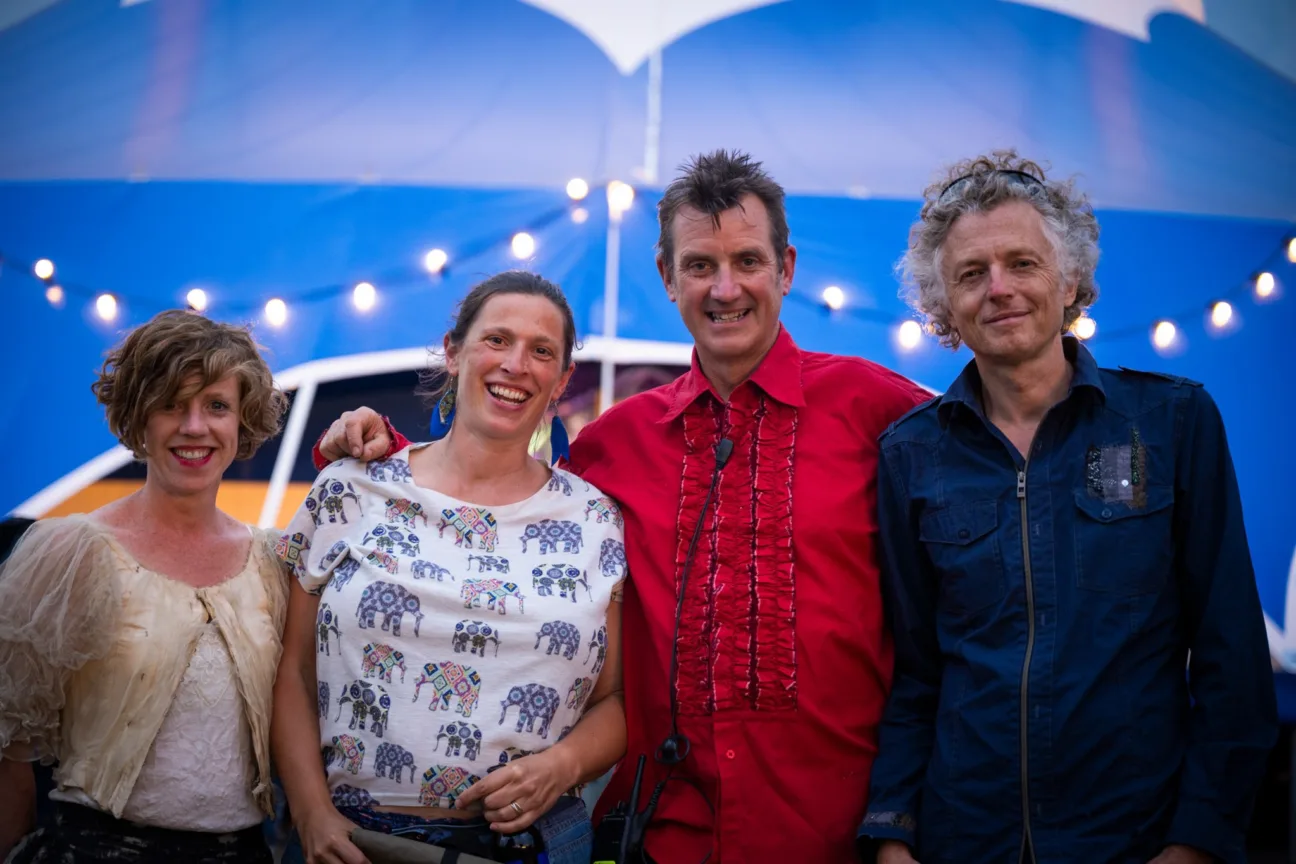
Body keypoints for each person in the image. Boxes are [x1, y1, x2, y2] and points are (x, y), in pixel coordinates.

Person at [312, 151, 932, 862]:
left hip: (841, 835)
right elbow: (495, 497)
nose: (725, 288)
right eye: (700, 265)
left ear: (786, 268)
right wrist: (383, 450)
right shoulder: (616, 443)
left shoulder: (879, 408)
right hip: (665, 835)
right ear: (667, 276)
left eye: (747, 261)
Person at [858, 151, 1277, 864]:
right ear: (942, 307)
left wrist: (1198, 841)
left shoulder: (1173, 424)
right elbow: (917, 673)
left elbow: (1231, 660)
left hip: (1133, 839)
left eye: (1022, 263)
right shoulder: (910, 455)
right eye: (970, 274)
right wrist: (893, 834)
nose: (999, 289)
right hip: (966, 840)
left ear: (1072, 278)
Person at [271, 270, 626, 864]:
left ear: (563, 379)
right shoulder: (350, 488)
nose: (516, 364)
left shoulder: (597, 520)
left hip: (524, 848)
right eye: (497, 340)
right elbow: (292, 674)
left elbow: (615, 700)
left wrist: (563, 765)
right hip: (350, 843)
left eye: (542, 351)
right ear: (453, 351)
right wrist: (310, 814)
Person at [0, 310, 290, 862]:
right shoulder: (71, 550)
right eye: (170, 404)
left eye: (217, 406)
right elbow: (9, 752)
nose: (195, 426)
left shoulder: (273, 561)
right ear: (138, 417)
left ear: (242, 421)